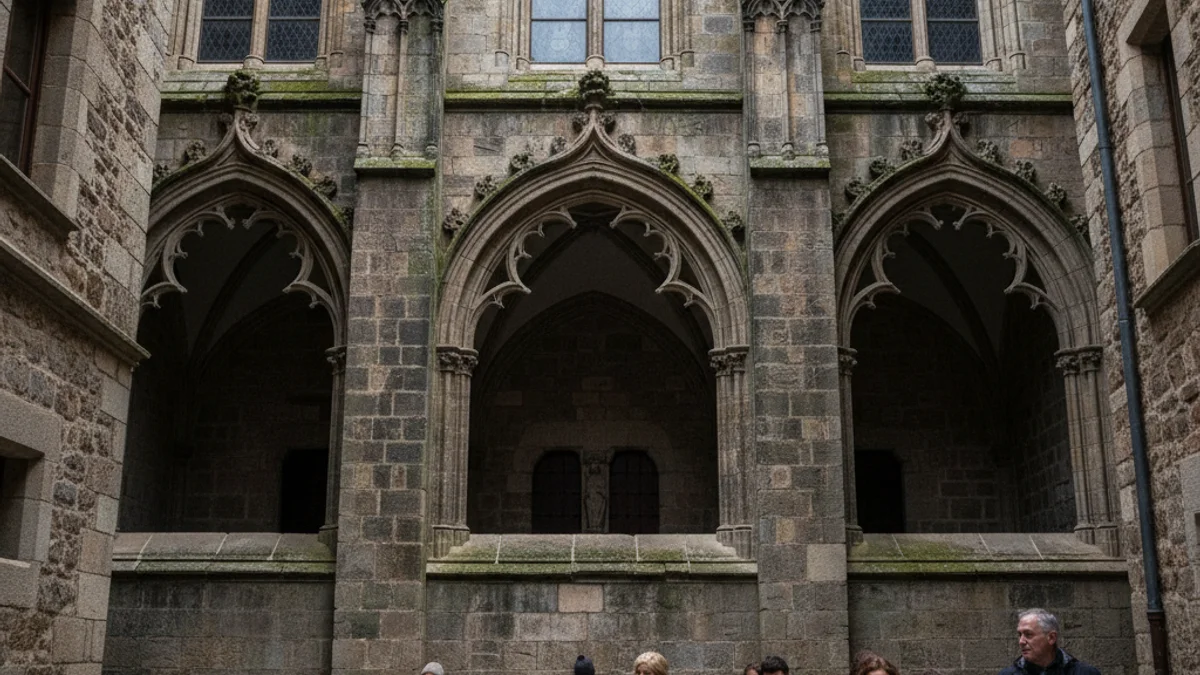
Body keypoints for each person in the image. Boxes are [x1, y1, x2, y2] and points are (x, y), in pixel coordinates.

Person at [1000, 609, 1101, 674]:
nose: (1021, 641)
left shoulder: (1086, 673)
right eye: (1019, 635)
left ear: (1051, 638)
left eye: (1028, 634)